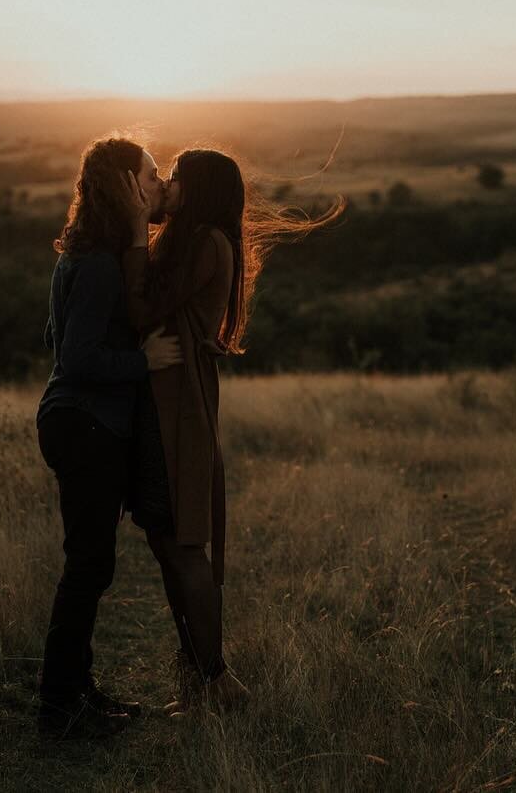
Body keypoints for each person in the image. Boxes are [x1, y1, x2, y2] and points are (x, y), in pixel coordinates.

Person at [120, 147, 345, 717]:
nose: (166, 184)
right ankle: (198, 675)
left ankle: (217, 681)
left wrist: (133, 234)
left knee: (184, 542)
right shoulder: (196, 240)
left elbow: (141, 311)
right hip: (166, 398)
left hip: (181, 406)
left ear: (197, 190)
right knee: (167, 540)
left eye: (175, 177)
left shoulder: (203, 244)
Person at [35, 136, 181, 741]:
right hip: (86, 423)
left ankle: (77, 692)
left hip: (72, 420)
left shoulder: (79, 255)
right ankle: (60, 707)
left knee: (90, 567)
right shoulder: (96, 266)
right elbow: (78, 357)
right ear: (124, 187)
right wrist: (141, 362)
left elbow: (54, 341)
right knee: (87, 568)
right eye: (149, 175)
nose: (156, 183)